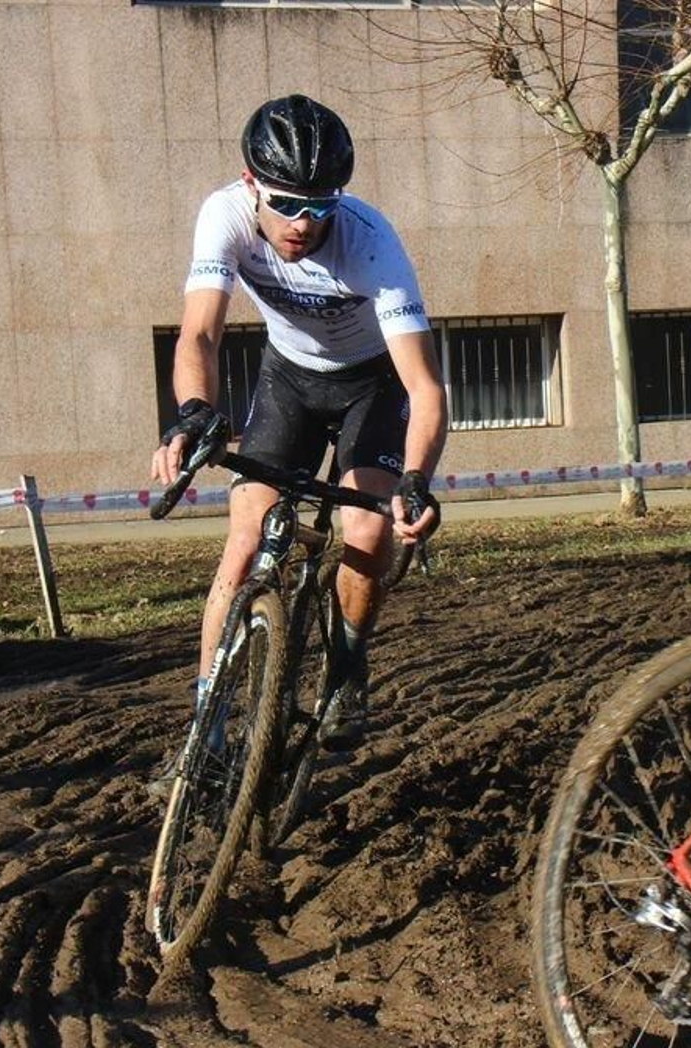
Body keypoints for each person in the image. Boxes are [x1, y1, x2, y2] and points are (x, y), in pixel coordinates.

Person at [151, 95, 446, 768]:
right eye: (285, 204)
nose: (302, 224)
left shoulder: (371, 244)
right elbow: (200, 333)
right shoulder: (224, 215)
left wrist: (416, 480)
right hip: (289, 379)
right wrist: (194, 410)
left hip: (373, 384)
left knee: (366, 529)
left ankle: (347, 662)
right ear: (251, 183)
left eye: (320, 207)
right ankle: (206, 734)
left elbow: (426, 387)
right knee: (244, 543)